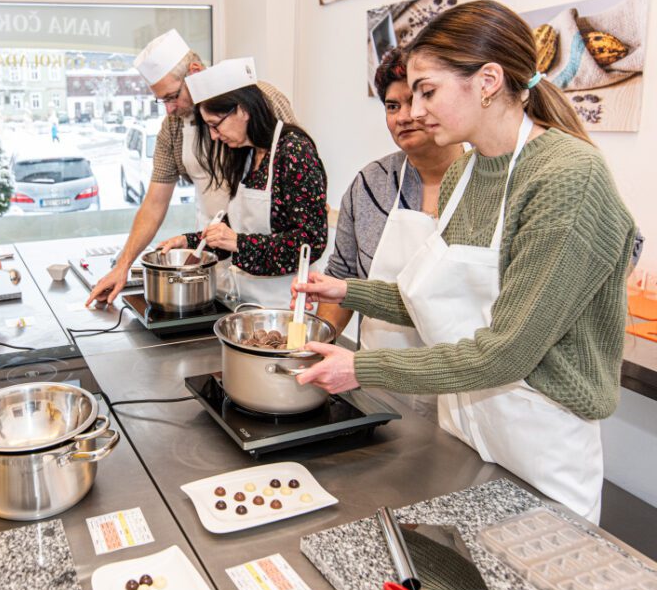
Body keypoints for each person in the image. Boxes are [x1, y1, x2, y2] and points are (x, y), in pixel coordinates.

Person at [293, 0, 637, 522]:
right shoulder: (466, 174)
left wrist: (361, 367)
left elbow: (508, 352)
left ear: (488, 81)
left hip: (539, 441)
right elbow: (436, 299)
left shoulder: (567, 178)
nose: (415, 110)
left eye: (427, 91)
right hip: (463, 426)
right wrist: (347, 291)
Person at [86, 29, 297, 306]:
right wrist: (123, 265)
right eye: (162, 100)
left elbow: (295, 171)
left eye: (172, 96)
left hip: (272, 272)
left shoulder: (263, 101)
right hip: (211, 263)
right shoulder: (173, 129)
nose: (169, 109)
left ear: (195, 71)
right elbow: (154, 203)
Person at [318, 48, 464, 371]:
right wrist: (313, 346)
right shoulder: (369, 186)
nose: (403, 117)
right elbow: (343, 277)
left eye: (414, 100)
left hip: (456, 391)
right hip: (372, 381)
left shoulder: (480, 184)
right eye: (392, 106)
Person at [158, 58, 328, 307]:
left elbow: (311, 241)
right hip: (245, 302)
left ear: (243, 110)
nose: (215, 137)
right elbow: (242, 225)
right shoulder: (247, 154)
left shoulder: (293, 151)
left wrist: (238, 242)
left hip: (285, 305)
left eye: (216, 126)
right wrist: (192, 241)